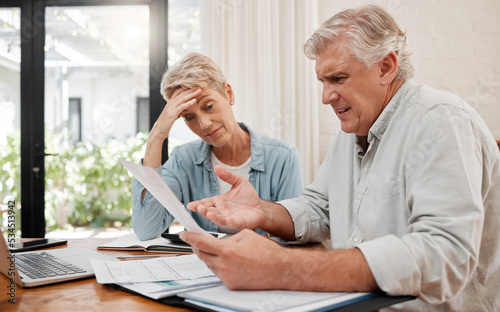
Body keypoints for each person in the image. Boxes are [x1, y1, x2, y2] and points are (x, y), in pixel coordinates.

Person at [179, 5, 500, 311]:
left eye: (338, 78)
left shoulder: (441, 121)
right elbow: (320, 209)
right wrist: (261, 211)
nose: (325, 97)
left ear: (385, 68)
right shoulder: (351, 132)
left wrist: (284, 267)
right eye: (323, 81)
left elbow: (444, 257)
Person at [131, 52, 303, 240]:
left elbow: (290, 235)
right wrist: (156, 136)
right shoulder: (183, 160)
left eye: (209, 106)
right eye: (189, 117)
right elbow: (146, 228)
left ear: (228, 94)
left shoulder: (282, 157)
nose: (204, 124)